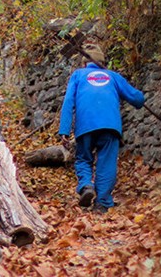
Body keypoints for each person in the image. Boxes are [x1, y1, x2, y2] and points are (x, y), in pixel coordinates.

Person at [58, 43, 145, 213]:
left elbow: (68, 102)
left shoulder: (78, 75)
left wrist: (64, 130)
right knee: (107, 162)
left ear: (84, 64)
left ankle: (86, 186)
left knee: (83, 158)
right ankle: (102, 203)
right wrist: (141, 98)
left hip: (85, 126)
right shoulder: (113, 76)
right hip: (110, 126)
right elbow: (137, 99)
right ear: (103, 62)